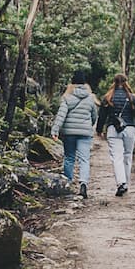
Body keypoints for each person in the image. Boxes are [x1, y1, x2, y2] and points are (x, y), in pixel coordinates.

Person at [96, 73, 135, 197]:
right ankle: (126, 183)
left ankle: (121, 183)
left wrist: (99, 130)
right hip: (130, 129)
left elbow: (102, 116)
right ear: (126, 82)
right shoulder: (132, 98)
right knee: (127, 156)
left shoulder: (108, 97)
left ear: (114, 82)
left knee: (116, 157)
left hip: (113, 129)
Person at [51, 71, 98, 199]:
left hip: (69, 133)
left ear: (72, 83)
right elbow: (94, 116)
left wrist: (55, 130)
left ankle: (68, 183)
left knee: (69, 157)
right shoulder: (90, 98)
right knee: (84, 159)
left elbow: (61, 115)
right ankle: (83, 184)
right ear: (85, 83)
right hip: (85, 133)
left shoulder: (67, 97)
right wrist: (89, 126)